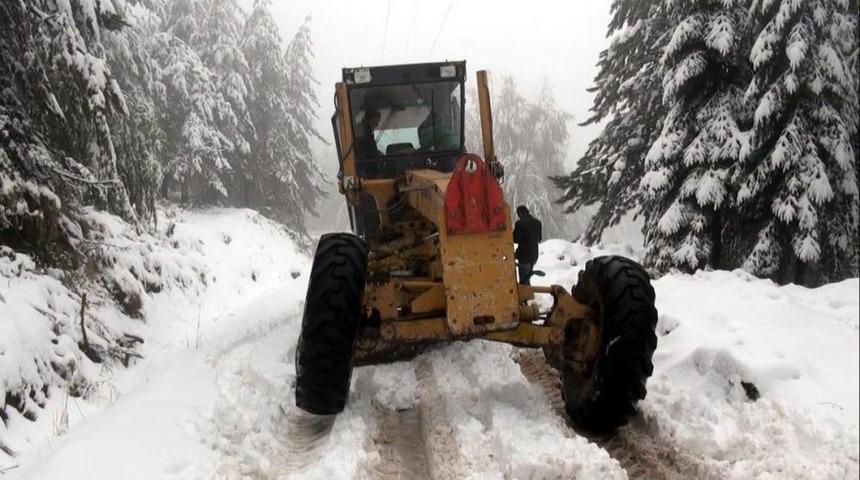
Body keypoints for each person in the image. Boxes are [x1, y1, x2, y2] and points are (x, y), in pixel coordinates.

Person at [513, 205, 542, 285]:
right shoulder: (538, 223)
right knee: (528, 275)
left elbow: (515, 239)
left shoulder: (519, 223)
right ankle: (527, 291)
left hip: (523, 255)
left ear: (519, 213)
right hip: (534, 254)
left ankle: (526, 294)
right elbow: (539, 239)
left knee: (523, 278)